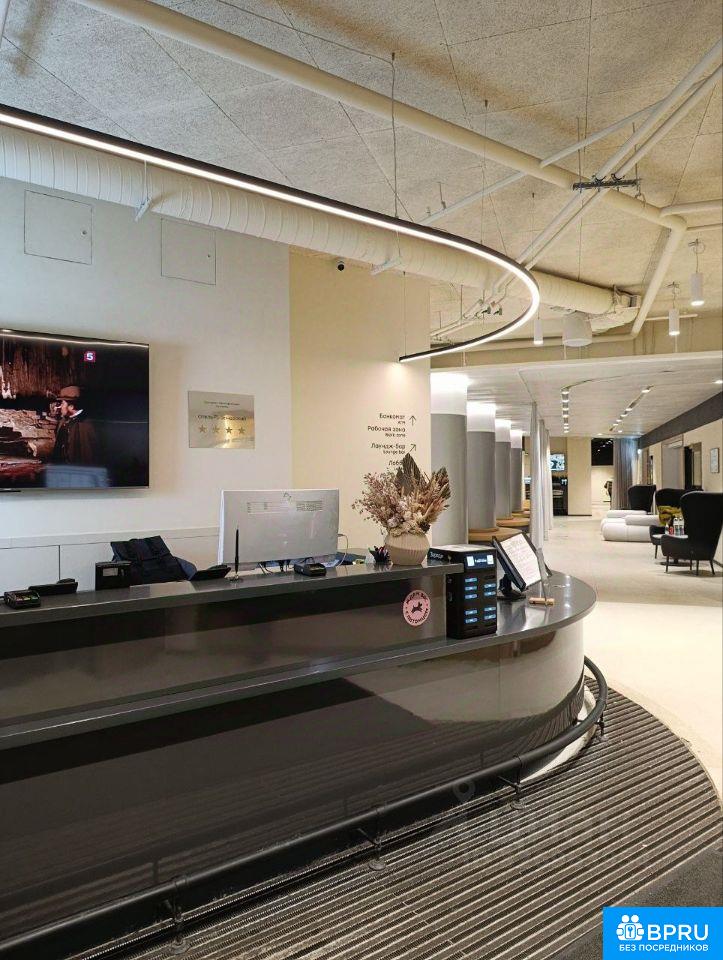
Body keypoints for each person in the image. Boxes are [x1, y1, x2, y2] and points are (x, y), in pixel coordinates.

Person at [51, 386, 100, 466]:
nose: (60, 407)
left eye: (62, 403)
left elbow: (89, 455)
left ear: (71, 406)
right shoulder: (63, 421)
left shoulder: (86, 425)